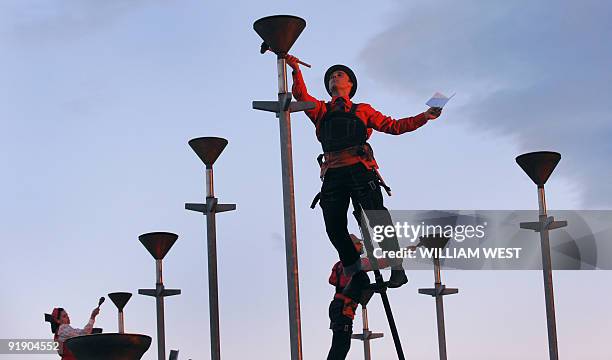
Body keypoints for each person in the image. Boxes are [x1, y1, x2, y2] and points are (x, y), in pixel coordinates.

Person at [286, 55, 442, 300]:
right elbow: (301, 96)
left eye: (339, 75)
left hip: (359, 169)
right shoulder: (321, 109)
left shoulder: (363, 110)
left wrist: (424, 117)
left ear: (350, 85)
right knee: (334, 226)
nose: (334, 77)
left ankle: (397, 267)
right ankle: (355, 272)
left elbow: (395, 126)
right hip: (333, 173)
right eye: (330, 77)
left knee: (378, 218)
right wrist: (294, 68)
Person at [326, 234, 415, 360]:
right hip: (344, 308)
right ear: (351, 247)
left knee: (338, 345)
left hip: (336, 306)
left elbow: (332, 280)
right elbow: (382, 262)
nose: (361, 245)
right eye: (358, 243)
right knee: (341, 347)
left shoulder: (339, 265)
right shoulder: (358, 263)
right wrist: (404, 252)